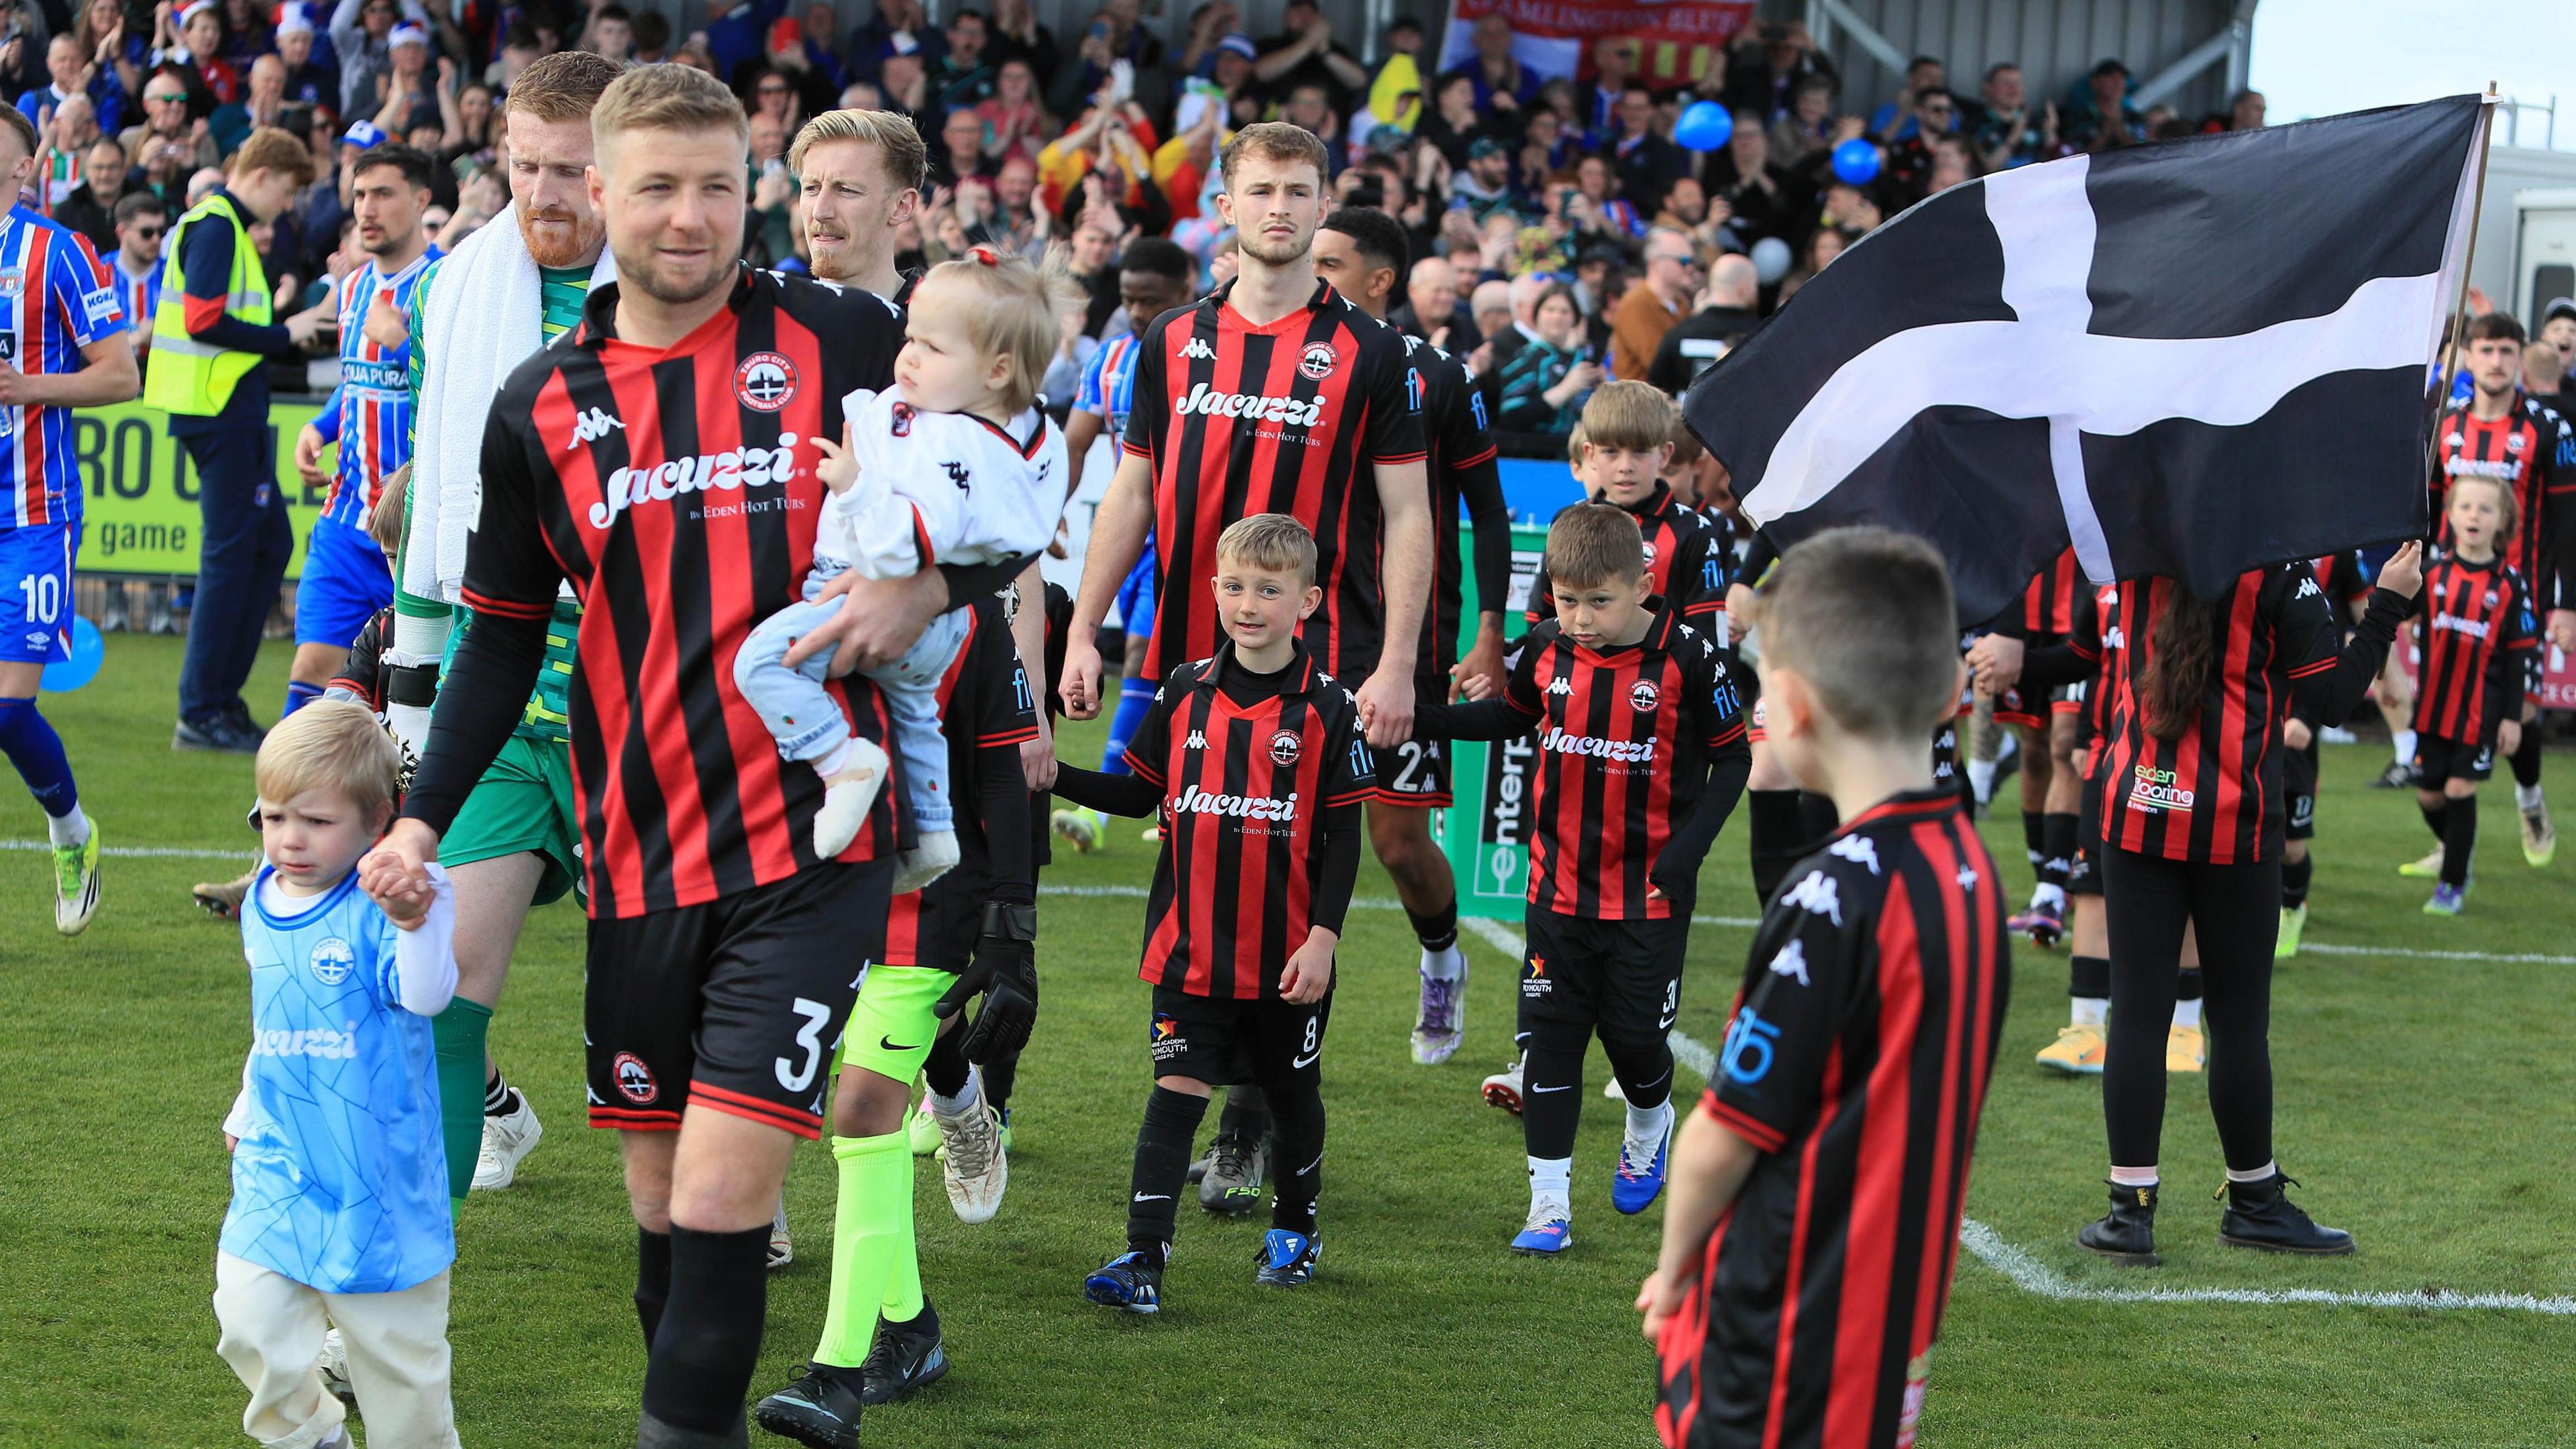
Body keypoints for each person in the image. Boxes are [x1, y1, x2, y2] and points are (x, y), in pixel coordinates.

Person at [363, 63, 994, 1449]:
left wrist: (927, 593)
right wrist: (419, 818)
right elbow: (495, 643)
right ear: (602, 195)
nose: (692, 216)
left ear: (750, 188)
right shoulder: (541, 405)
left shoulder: (841, 339)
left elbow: (1005, 476)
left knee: (721, 1198)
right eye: (658, 185)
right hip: (637, 852)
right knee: (660, 1211)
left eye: (718, 184)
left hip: (810, 843)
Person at [1057, 121, 1431, 1215]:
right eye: (1261, 190)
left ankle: (1251, 1117)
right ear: (1225, 204)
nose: (1280, 207)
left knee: (1293, 873)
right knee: (1187, 870)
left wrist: (1399, 657)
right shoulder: (1171, 342)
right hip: (1184, 658)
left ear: (1325, 207)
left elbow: (1408, 514)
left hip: (1306, 665)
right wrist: (1083, 627)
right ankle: (1199, 1086)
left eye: (1299, 191)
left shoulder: (1372, 352)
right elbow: (1129, 491)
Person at [1640, 527, 2007, 1449]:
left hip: (1793, 1315)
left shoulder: (1832, 892)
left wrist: (1675, 1267)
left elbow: (1728, 1126)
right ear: (1952, 691)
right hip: (1894, 1306)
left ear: (1791, 708)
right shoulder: (1968, 866)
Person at [386, 48, 621, 1212]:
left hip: (642, 709)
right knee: (435, 982)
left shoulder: (704, 302)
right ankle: (408, 1279)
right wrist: (407, 701)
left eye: (574, 171)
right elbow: (435, 495)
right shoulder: (451, 289)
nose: (546, 194)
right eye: (526, 167)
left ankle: (733, 1201)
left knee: (652, 1008)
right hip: (502, 698)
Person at [1053, 512, 1375, 1309]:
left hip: (1286, 958)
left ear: (1306, 602)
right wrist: (1048, 772)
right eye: (1234, 586)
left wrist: (1324, 941)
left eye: (1270, 589)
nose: (1248, 603)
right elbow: (1137, 792)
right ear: (1213, 591)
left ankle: (1296, 1231)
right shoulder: (1183, 689)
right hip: (1189, 949)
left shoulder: (1330, 708)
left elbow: (1342, 835)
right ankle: (1141, 1264)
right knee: (1175, 1097)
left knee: (1293, 1101)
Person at [2068, 546, 2420, 1267]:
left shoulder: (2133, 550)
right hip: (2235, 821)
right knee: (2237, 1020)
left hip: (2137, 808)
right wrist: (2387, 604)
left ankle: (2129, 1212)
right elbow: (2330, 698)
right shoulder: (2278, 569)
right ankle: (2254, 1202)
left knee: (2137, 1009)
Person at [751, 592, 1038, 1447]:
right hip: (806, 888)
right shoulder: (785, 567)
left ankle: (835, 1374)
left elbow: (999, 768)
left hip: (932, 901)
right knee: (844, 1115)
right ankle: (911, 1332)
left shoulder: (972, 604)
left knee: (862, 1111)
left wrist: (1012, 927)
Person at [1419, 502, 1748, 1252]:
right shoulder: (1543, 649)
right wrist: (1425, 717)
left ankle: (1648, 1121)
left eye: (1600, 600)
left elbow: (1733, 759)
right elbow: (1509, 716)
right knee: (1555, 1042)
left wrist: (1686, 852)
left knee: (1635, 1042)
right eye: (1568, 601)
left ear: (1644, 583)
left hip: (1650, 895)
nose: (1581, 617)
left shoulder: (1691, 659)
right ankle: (1548, 1207)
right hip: (1556, 888)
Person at [731, 248, 1067, 883]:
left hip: (866, 595)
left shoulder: (943, 441)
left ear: (997, 369)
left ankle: (841, 762)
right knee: (917, 716)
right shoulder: (1028, 430)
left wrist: (854, 485)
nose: (908, 356)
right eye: (910, 337)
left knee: (762, 665)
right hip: (951, 623)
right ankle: (935, 832)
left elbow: (902, 548)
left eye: (931, 348)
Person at [215, 700, 460, 1449]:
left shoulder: (396, 896)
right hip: (280, 1159)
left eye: (315, 822)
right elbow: (278, 1017)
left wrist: (416, 922)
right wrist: (246, 1104)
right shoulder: (262, 897)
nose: (290, 838)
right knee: (248, 1319)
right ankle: (311, 1436)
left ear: (378, 821)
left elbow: (427, 997)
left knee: (402, 1378)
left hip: (378, 1179)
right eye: (274, 817)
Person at [1311, 205, 1509, 1065]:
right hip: (1301, 628)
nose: (1310, 273)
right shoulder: (1286, 356)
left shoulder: (1438, 375)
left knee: (1396, 840)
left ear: (1380, 280)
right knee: (1297, 836)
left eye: (1330, 261)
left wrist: (1490, 633)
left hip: (1407, 645)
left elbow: (1489, 512)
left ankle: (1441, 957)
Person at [144, 125, 335, 753]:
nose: (286, 205)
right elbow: (204, 321)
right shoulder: (219, 224)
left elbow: (214, 321)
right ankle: (203, 711)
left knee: (264, 545)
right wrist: (287, 332)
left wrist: (278, 327)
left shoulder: (221, 226)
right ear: (262, 175)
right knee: (233, 557)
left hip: (225, 410)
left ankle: (216, 703)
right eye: (286, 190)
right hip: (219, 412)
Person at [0, 105, 136, 936]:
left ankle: (72, 831)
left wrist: (27, 389)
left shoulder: (56, 251)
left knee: (10, 710)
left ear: (23, 170)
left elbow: (121, 376)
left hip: (33, 515)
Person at [1048, 235, 1195, 853]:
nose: (1138, 311)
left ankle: (1111, 805)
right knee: (1144, 656)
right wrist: (1050, 508)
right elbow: (1076, 443)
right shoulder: (1109, 361)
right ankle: (1158, 798)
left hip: (1191, 535)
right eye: (1130, 299)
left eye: (1151, 300)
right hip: (1135, 534)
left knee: (1150, 655)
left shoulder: (1205, 351)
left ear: (1186, 291)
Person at [286, 143, 437, 719]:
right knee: (313, 673)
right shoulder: (349, 290)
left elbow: (460, 392)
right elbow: (357, 384)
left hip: (418, 529)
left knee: (415, 690)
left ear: (422, 200)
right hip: (347, 520)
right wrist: (319, 427)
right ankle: (290, 806)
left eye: (383, 194)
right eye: (359, 196)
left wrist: (402, 343)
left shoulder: (445, 285)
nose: (366, 209)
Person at [2428, 312, 2574, 866]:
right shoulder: (2447, 423)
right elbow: (2429, 509)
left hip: (2522, 603)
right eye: (2485, 350)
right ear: (2468, 357)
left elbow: (2567, 522)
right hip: (2450, 602)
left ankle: (2530, 799)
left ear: (2521, 358)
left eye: (2506, 351)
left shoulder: (2549, 428)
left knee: (2525, 714)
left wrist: (2568, 605)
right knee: (2445, 713)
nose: (2495, 361)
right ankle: (2450, 847)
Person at [2398, 478, 2540, 915]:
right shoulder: (2433, 573)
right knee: (2430, 797)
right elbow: (2396, 614)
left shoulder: (2511, 585)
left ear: (2503, 522)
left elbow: (2519, 660)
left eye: (2485, 509)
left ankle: (2453, 883)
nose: (2474, 515)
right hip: (2432, 709)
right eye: (2465, 506)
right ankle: (2457, 850)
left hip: (2481, 713)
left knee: (2461, 789)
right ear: (2450, 514)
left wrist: (2513, 718)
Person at [1526, 383, 1725, 631]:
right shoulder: (1567, 520)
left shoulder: (1694, 531)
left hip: (1662, 669)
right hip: (1578, 669)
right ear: (1590, 454)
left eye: (1640, 452)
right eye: (1611, 452)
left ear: (1664, 454)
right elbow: (1540, 618)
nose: (1625, 466)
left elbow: (1709, 638)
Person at [2276, 549, 2371, 955]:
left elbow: (2359, 619)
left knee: (2290, 844)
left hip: (2300, 720)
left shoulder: (2340, 549)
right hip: (2247, 716)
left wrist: (2305, 718)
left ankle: (2293, 904)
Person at [1643, 252, 1759, 396]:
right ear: (1745, 290)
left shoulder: (1679, 335)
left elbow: (1655, 390)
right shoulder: (1762, 336)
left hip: (1684, 418)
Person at [1496, 282, 1595, 435]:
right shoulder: (1526, 357)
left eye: (1565, 311)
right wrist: (1565, 390)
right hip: (1535, 452)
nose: (1557, 317)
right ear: (1537, 314)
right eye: (1550, 310)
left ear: (1575, 318)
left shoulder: (1582, 359)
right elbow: (1511, 415)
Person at [1610, 227, 1697, 381]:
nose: (1690, 268)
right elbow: (1659, 363)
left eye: (1692, 261)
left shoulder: (1682, 304)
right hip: (1640, 402)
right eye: (1683, 261)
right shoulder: (1636, 303)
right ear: (1656, 263)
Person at [104, 190, 166, 354]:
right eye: (147, 233)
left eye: (161, 231)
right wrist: (136, 338)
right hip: (111, 375)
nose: (156, 240)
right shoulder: (98, 273)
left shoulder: (174, 274)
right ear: (122, 232)